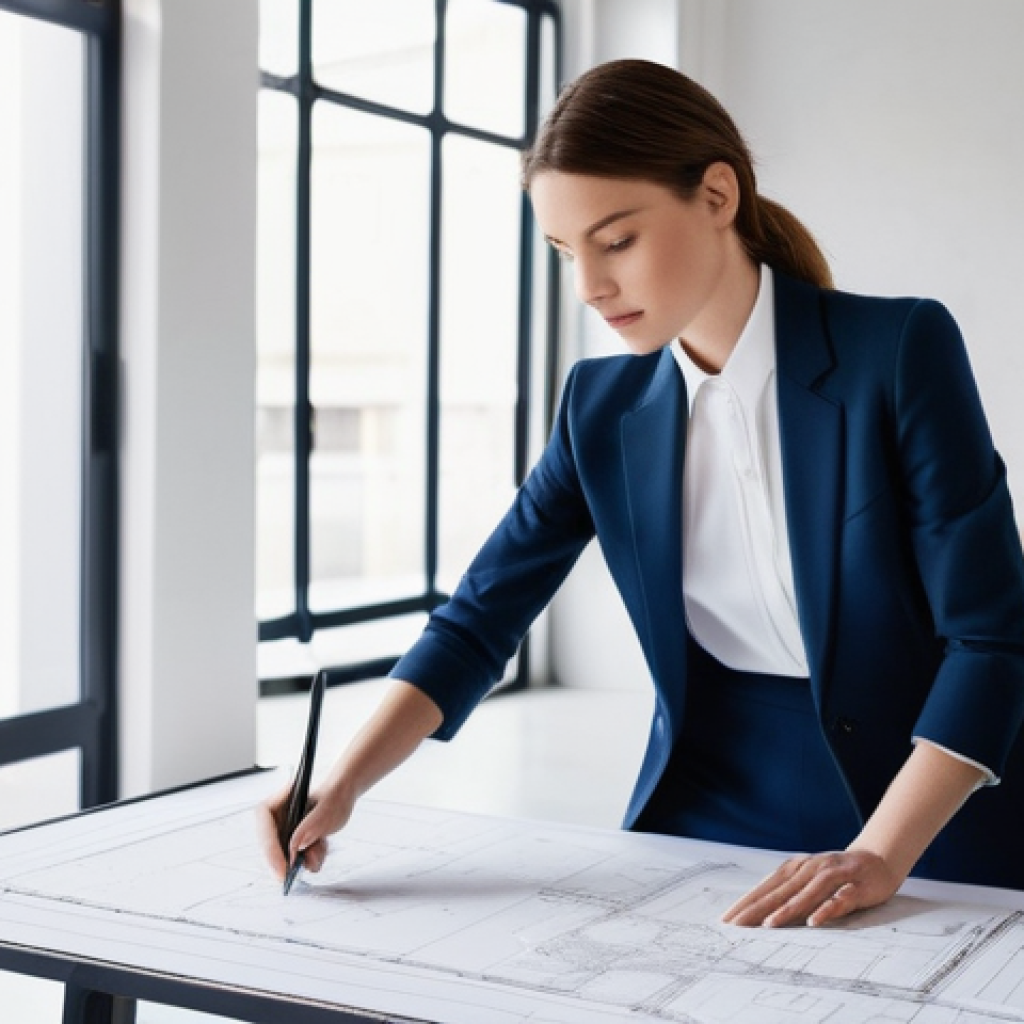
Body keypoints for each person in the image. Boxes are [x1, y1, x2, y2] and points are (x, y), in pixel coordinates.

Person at [259, 59, 1024, 927]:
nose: (589, 285)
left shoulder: (896, 352)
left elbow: (991, 639)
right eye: (563, 252)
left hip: (930, 798)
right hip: (714, 793)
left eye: (616, 240)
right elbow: (478, 619)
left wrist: (881, 853)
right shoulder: (601, 406)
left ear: (718, 195)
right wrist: (341, 781)